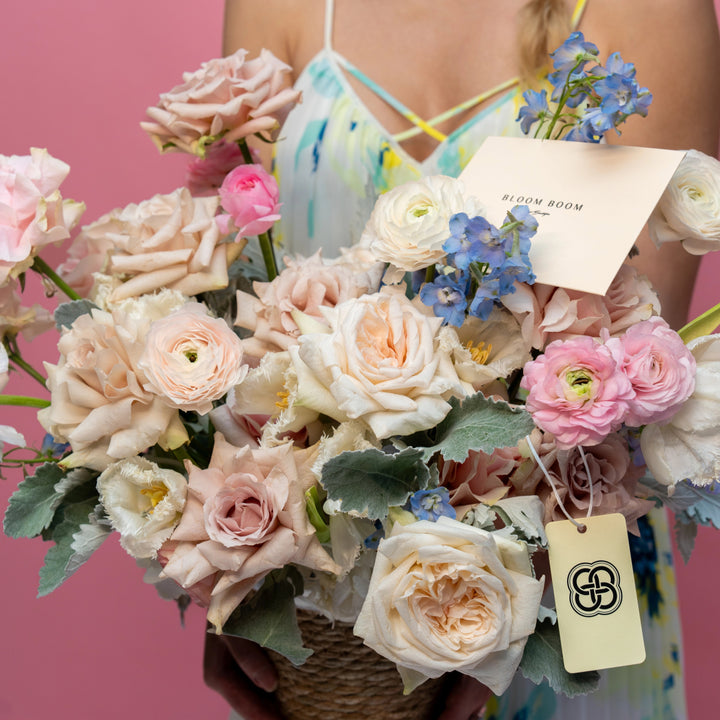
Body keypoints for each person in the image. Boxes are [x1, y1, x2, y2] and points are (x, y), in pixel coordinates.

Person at [208, 1, 720, 719]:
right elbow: (243, 320)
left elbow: (632, 373)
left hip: (568, 572)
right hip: (335, 615)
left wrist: (500, 617)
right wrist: (231, 577)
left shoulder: (647, 10)